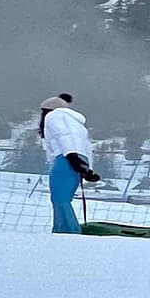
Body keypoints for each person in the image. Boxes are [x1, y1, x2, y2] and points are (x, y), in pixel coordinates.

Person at [39, 93, 99, 233]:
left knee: (59, 199)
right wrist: (87, 169)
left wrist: (71, 156)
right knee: (64, 199)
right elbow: (85, 146)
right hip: (78, 159)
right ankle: (63, 230)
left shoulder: (54, 116)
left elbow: (63, 136)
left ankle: (68, 231)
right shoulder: (76, 123)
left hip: (65, 158)